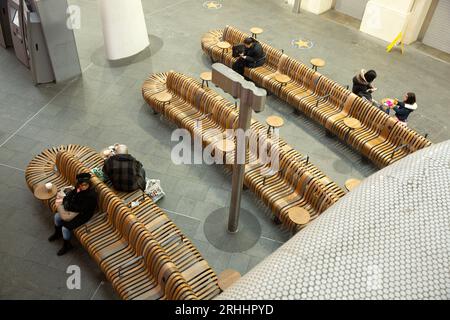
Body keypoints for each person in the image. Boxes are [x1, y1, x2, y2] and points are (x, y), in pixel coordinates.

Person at [48, 173, 98, 256]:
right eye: (81, 185)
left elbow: (81, 208)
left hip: (83, 214)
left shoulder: (91, 195)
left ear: (89, 184)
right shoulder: (78, 189)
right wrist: (66, 203)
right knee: (57, 217)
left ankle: (67, 245)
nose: (83, 187)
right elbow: (68, 197)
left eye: (85, 185)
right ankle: (57, 233)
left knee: (65, 228)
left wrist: (67, 207)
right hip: (73, 210)